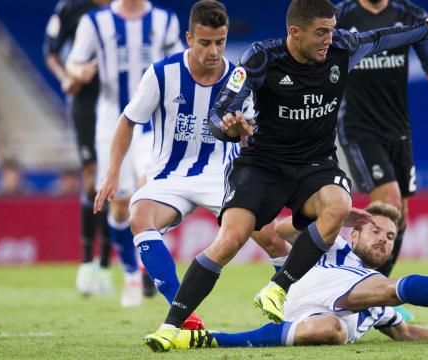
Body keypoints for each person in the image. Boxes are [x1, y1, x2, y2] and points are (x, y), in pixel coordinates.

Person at [142, 0, 428, 350]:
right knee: (231, 240)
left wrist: (426, 27)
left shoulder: (342, 48)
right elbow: (220, 113)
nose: (328, 39)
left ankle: (278, 288)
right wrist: (228, 127)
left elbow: (386, 37)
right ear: (295, 32)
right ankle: (171, 327)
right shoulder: (262, 59)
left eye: (332, 30)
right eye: (321, 32)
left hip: (314, 165)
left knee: (338, 205)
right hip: (264, 165)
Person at [94, 0, 290, 330]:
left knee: (270, 235)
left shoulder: (240, 78)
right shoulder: (161, 74)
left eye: (220, 42)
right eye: (205, 42)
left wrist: (245, 133)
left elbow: (254, 133)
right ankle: (184, 316)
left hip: (223, 175)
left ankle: (299, 300)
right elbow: (127, 120)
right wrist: (113, 172)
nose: (214, 51)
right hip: (170, 175)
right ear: (189, 38)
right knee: (139, 216)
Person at [147, 202, 428, 351]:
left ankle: (211, 340)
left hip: (318, 317)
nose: (383, 239)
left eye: (390, 237)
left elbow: (406, 332)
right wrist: (339, 217)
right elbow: (281, 230)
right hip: (304, 286)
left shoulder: (375, 298)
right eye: (376, 230)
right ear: (357, 235)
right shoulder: (330, 245)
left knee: (331, 330)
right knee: (391, 290)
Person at [66, 0, 184, 307]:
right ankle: (131, 271)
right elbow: (74, 61)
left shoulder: (164, 19)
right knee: (118, 206)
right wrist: (80, 71)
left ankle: (146, 269)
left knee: (148, 192)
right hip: (111, 123)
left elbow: (178, 62)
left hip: (152, 121)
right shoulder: (95, 22)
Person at [335, 0, 428, 278]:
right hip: (359, 127)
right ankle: (356, 283)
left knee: (400, 214)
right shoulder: (341, 15)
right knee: (389, 203)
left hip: (398, 128)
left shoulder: (409, 14)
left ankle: (377, 289)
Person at [43, 0, 115, 297]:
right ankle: (87, 263)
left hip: (118, 102)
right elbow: (50, 52)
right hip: (86, 101)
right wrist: (68, 77)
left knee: (116, 180)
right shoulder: (70, 8)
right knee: (91, 177)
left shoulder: (128, 11)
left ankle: (107, 264)